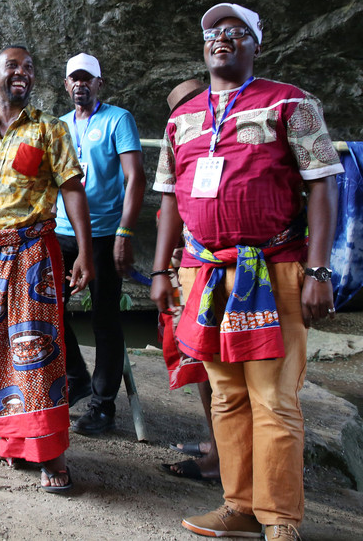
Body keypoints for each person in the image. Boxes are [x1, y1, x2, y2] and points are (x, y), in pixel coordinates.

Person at [149, 3, 342, 540]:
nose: (222, 38)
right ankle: (239, 506)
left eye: (237, 32)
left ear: (258, 45)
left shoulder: (291, 103)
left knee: (274, 398)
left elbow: (323, 184)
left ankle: (280, 519)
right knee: (227, 396)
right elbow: (167, 199)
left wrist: (319, 269)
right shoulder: (180, 119)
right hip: (203, 273)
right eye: (213, 31)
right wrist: (162, 269)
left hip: (274, 267)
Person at [0, 45, 93, 493]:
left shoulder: (50, 129)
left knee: (38, 351)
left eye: (29, 68)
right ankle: (12, 441)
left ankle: (51, 454)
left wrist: (84, 251)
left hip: (32, 251)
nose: (22, 74)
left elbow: (72, 190)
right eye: (13, 67)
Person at [53, 53, 145, 434]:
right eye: (74, 78)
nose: (80, 84)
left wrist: (125, 232)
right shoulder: (58, 125)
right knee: (44, 306)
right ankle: (75, 376)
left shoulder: (117, 119)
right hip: (60, 232)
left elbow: (135, 177)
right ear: (65, 85)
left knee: (104, 318)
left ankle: (103, 405)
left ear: (99, 84)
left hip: (105, 233)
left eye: (87, 78)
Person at [156, 79, 220, 483]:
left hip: (220, 271)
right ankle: (218, 444)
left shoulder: (224, 138)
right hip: (191, 271)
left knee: (217, 368)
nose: (190, 113)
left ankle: (222, 458)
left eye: (195, 103)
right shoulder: (182, 145)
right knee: (201, 365)